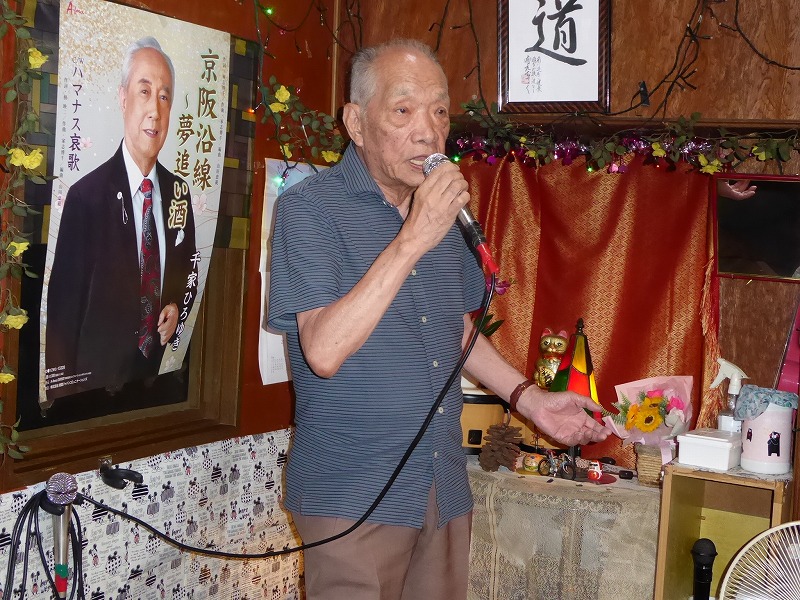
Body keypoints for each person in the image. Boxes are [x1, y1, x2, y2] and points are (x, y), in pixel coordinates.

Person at [267, 38, 608, 600]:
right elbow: (322, 352)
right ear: (355, 123)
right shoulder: (309, 209)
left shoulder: (443, 214)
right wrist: (412, 238)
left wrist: (529, 399)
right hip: (353, 494)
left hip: (442, 484)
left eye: (440, 112)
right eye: (403, 110)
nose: (428, 132)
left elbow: (453, 327)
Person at [45, 37, 198, 402]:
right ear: (123, 98)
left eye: (164, 96)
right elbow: (62, 316)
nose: (155, 110)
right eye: (144, 91)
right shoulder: (86, 197)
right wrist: (63, 399)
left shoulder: (179, 192)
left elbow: (187, 271)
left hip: (156, 387)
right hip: (92, 392)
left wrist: (175, 306)